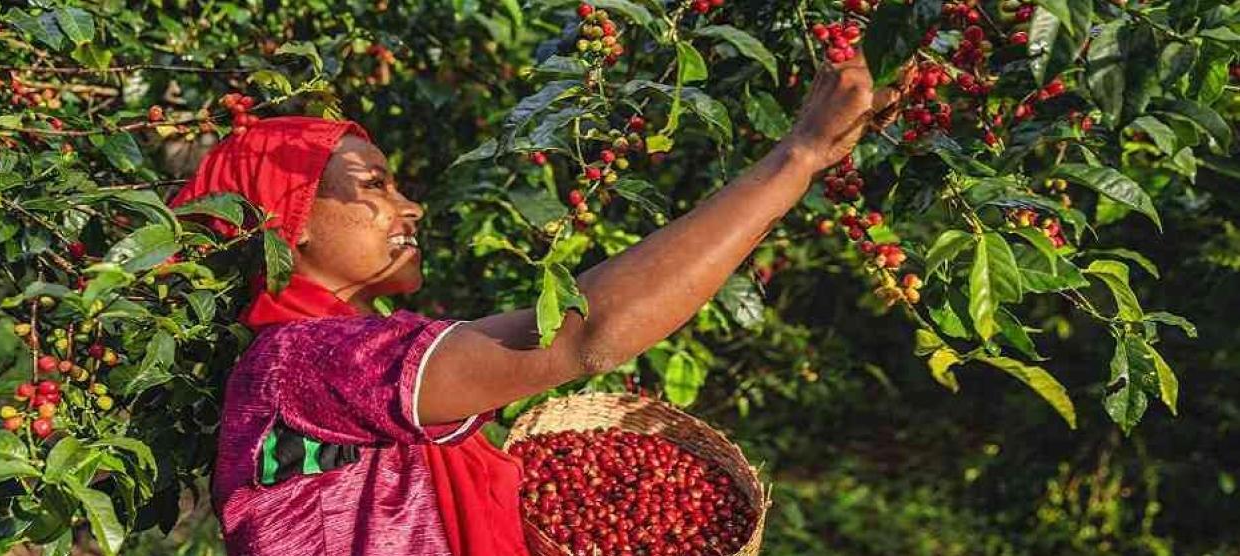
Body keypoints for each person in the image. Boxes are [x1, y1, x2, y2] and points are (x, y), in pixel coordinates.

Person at [171, 52, 895, 555]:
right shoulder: (304, 361)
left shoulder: (336, 353)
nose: (411, 205)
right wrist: (796, 157)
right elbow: (589, 335)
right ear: (281, 217)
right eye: (375, 185)